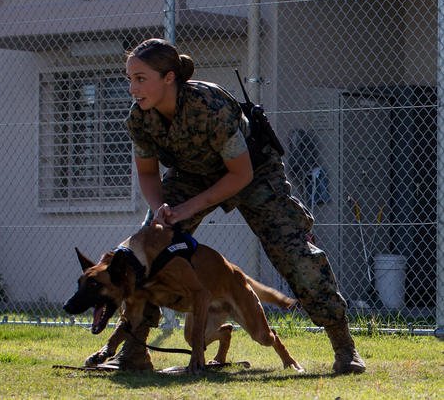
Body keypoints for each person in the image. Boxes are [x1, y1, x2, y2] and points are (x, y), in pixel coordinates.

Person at [92, 38, 365, 374]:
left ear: (168, 78)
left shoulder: (210, 103)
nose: (132, 88)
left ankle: (344, 348)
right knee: (145, 250)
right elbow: (148, 174)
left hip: (252, 172)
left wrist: (190, 208)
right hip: (191, 176)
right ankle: (134, 350)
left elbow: (240, 174)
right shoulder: (140, 118)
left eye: (140, 78)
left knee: (294, 254)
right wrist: (162, 208)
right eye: (129, 79)